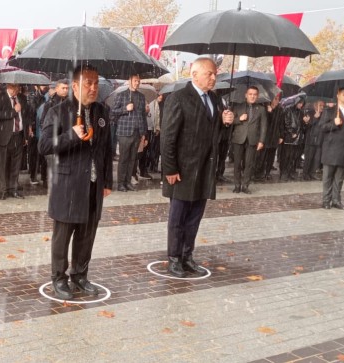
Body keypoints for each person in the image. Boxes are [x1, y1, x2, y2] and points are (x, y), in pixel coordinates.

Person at [38, 65, 113, 300]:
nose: (93, 88)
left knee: (87, 233)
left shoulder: (102, 111)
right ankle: (59, 278)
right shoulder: (58, 111)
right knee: (63, 234)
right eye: (88, 83)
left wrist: (107, 180)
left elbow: (106, 150)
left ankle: (80, 275)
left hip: (93, 184)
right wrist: (71, 135)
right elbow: (44, 146)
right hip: (68, 184)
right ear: (75, 86)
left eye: (96, 83)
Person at [160, 57, 234, 278]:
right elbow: (168, 137)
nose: (214, 78)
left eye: (215, 74)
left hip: (204, 169)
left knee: (194, 217)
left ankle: (186, 255)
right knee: (178, 217)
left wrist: (226, 122)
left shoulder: (215, 99)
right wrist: (170, 169)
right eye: (209, 74)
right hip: (182, 170)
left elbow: (216, 136)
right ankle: (174, 258)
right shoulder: (179, 98)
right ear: (194, 74)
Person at [0, 83, 31, 200]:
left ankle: (13, 189)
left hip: (18, 135)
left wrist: (26, 135)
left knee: (16, 164)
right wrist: (13, 111)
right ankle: (3, 190)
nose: (16, 90)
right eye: (14, 87)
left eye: (18, 87)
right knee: (4, 164)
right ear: (9, 86)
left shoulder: (22, 98)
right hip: (4, 136)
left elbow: (26, 116)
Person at [111, 74, 146, 191]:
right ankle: (121, 183)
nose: (137, 83)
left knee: (132, 159)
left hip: (137, 132)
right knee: (124, 158)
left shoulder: (141, 96)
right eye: (135, 81)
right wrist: (126, 109)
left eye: (139, 81)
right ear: (129, 80)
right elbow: (113, 113)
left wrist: (143, 133)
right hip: (124, 132)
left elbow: (142, 116)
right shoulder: (121, 95)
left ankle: (128, 182)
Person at [230, 86, 266, 194]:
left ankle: (245, 185)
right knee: (237, 163)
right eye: (250, 94)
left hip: (253, 139)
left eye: (255, 94)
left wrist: (261, 141)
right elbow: (230, 121)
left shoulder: (261, 109)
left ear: (257, 96)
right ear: (246, 95)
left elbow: (264, 126)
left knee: (249, 164)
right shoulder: (238, 107)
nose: (252, 96)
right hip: (238, 138)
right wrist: (239, 119)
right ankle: (237, 185)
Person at [254, 93, 284, 181]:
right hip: (266, 136)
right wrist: (269, 113)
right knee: (262, 155)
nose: (276, 101)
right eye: (275, 99)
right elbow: (264, 122)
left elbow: (281, 124)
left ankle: (267, 172)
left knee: (271, 156)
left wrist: (281, 135)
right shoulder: (265, 108)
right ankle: (259, 172)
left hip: (275, 136)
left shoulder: (280, 110)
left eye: (278, 99)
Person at [280, 95, 308, 181]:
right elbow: (286, 122)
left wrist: (305, 122)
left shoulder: (301, 112)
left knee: (294, 157)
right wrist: (291, 132)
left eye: (302, 104)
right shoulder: (288, 110)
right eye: (300, 103)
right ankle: (284, 173)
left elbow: (302, 127)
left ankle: (290, 172)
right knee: (286, 156)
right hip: (289, 137)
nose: (301, 105)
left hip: (298, 138)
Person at [302, 100, 325, 180]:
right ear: (315, 105)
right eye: (320, 105)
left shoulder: (324, 114)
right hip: (310, 139)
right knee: (309, 157)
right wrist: (315, 118)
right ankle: (305, 173)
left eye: (323, 106)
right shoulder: (309, 113)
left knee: (316, 159)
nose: (322, 107)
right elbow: (306, 127)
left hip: (320, 140)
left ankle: (312, 173)